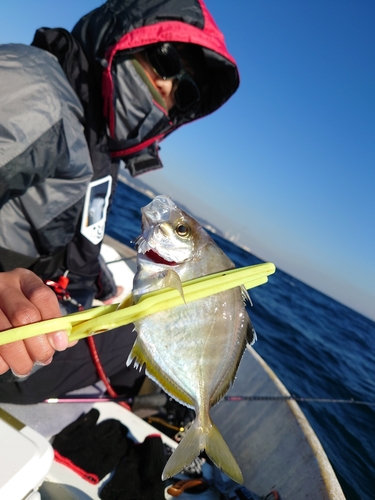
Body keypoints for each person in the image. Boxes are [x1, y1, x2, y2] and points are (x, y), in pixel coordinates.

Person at [0, 0, 239, 403]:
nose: (168, 86)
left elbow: (80, 240)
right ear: (123, 32)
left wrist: (101, 283)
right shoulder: (35, 93)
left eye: (185, 91)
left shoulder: (97, 140)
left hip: (54, 311)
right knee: (150, 328)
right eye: (165, 60)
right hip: (18, 343)